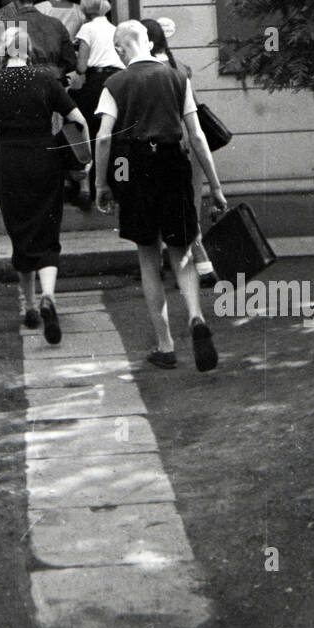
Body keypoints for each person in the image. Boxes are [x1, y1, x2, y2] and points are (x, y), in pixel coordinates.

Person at [93, 20, 227, 372]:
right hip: (173, 164)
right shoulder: (177, 76)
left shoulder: (114, 83)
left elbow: (104, 138)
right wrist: (215, 186)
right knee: (181, 253)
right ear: (148, 42)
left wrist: (101, 184)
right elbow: (196, 136)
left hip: (136, 168)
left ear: (120, 49)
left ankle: (165, 345)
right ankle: (196, 317)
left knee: (148, 257)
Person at [0, 25, 90, 345]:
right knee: (47, 231)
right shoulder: (46, 79)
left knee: (21, 231)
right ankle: (48, 296)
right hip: (45, 159)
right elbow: (79, 121)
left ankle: (30, 307)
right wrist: (83, 159)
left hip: (10, 162)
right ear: (28, 49)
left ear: (5, 52)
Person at [140, 17, 217, 286]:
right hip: (186, 147)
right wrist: (217, 186)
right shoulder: (180, 68)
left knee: (156, 211)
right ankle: (203, 268)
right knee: (187, 211)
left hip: (155, 148)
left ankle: (168, 264)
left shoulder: (140, 73)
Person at [67, 0, 123, 209]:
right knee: (117, 137)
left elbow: (81, 67)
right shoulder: (115, 28)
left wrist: (74, 54)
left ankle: (87, 189)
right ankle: (120, 182)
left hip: (96, 83)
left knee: (88, 134)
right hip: (118, 81)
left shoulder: (87, 29)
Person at [0, 0, 76, 81]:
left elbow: (1, 64)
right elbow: (71, 61)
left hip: (24, 85)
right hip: (53, 85)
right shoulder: (56, 24)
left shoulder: (7, 26)